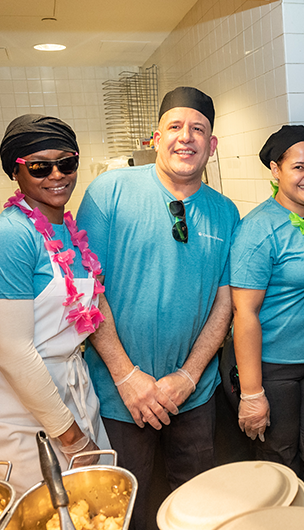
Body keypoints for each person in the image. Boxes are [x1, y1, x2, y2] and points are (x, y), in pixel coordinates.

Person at [76, 87, 239, 530]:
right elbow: (89, 290)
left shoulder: (225, 213)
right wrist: (127, 377)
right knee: (126, 511)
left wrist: (188, 377)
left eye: (199, 129)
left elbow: (225, 302)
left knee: (197, 506)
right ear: (155, 136)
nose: (186, 138)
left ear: (212, 145)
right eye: (175, 127)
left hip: (193, 395)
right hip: (119, 396)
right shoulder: (110, 191)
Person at [0, 114, 111, 493]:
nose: (56, 175)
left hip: (66, 385)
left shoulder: (71, 232)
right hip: (6, 401)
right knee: (40, 509)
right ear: (16, 173)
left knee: (95, 499)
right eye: (39, 167)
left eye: (66, 163)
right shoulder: (7, 236)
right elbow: (15, 354)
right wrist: (71, 437)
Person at [230, 125, 304, 494]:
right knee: (280, 470)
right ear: (275, 170)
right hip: (274, 368)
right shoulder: (258, 230)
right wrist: (252, 394)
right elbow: (244, 314)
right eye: (299, 167)